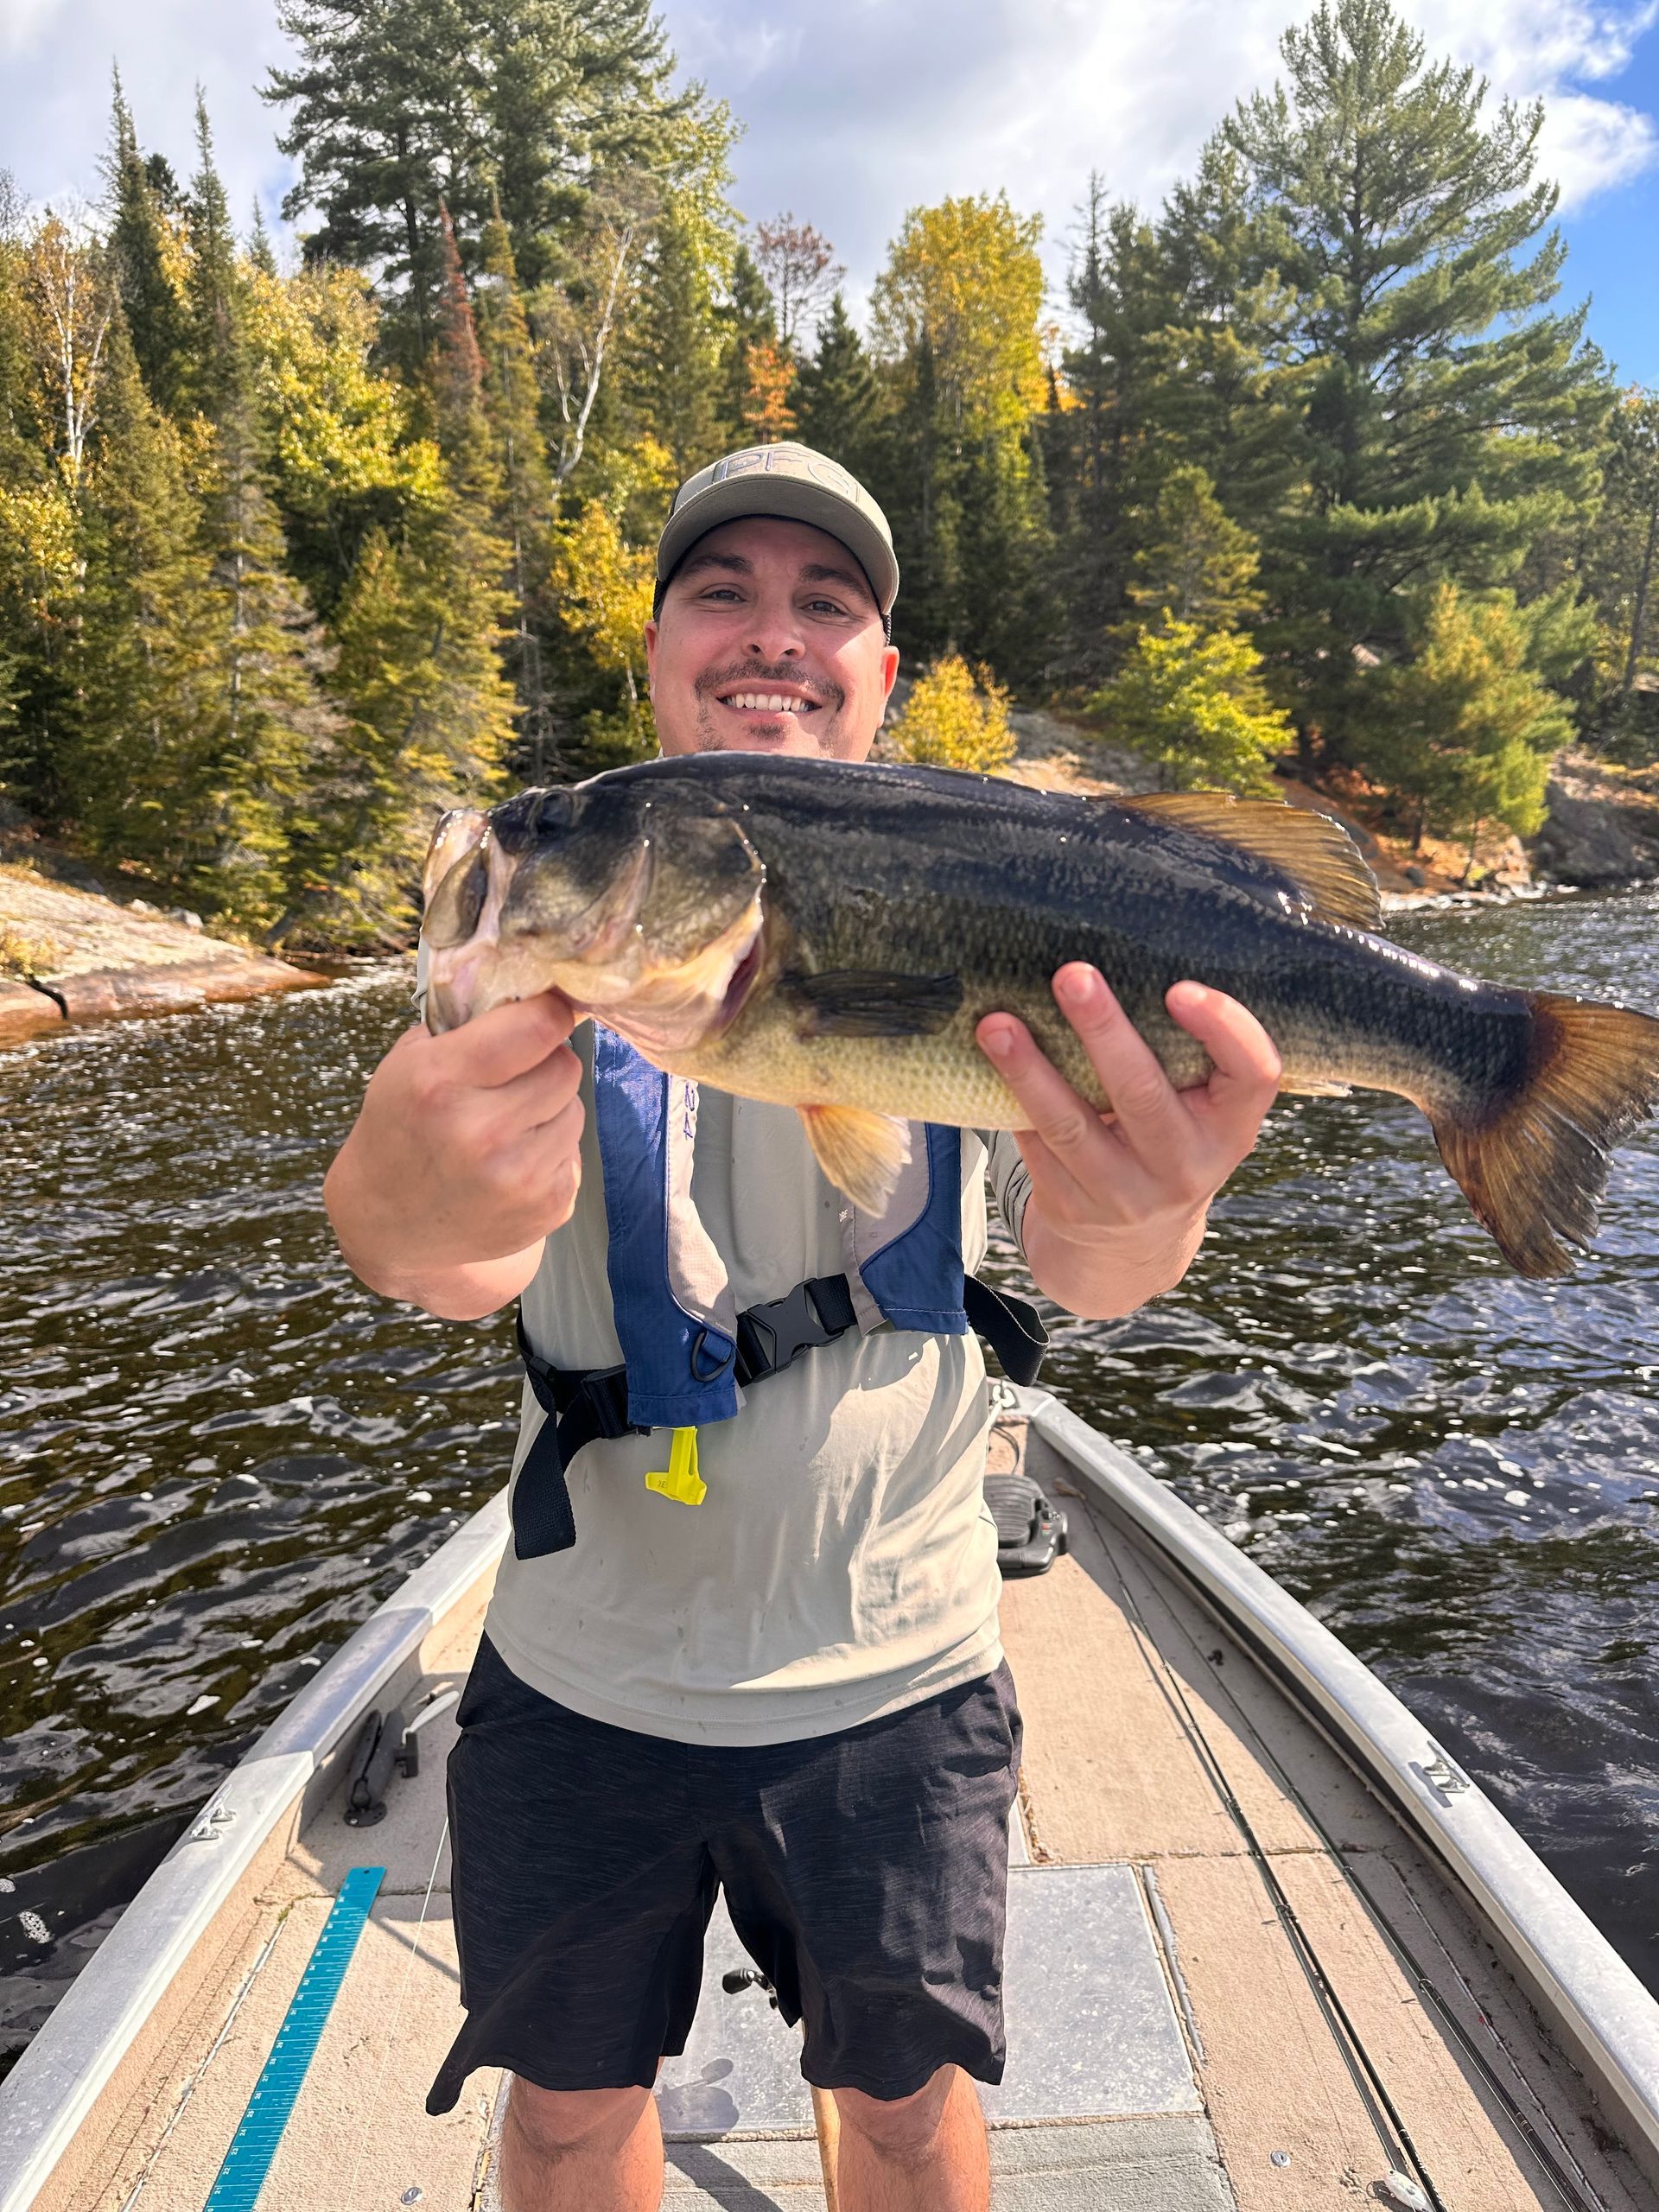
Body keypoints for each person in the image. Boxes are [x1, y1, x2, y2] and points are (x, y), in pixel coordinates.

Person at [323, 442, 1282, 2212]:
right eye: (724, 590)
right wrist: (395, 1192)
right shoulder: (532, 939)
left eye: (825, 602)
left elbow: (1092, 1265)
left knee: (909, 2115)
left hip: (902, 1669)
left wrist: (1153, 1200)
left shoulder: (979, 879)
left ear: (880, 676)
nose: (775, 632)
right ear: (660, 652)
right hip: (579, 1668)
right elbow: (437, 1258)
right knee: (554, 2114)